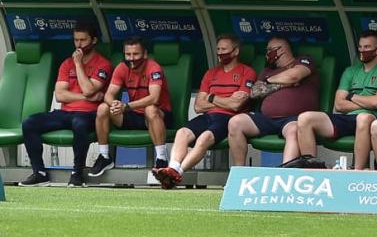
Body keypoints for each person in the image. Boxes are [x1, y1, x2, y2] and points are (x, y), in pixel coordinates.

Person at [152, 35, 256, 189]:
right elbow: (198, 106)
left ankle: (177, 173)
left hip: (229, 119)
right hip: (207, 116)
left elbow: (236, 105)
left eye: (224, 49)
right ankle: (172, 168)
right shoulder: (211, 73)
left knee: (204, 138)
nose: (220, 53)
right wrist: (226, 99)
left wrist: (212, 97)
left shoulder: (247, 72)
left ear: (235, 51)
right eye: (218, 49)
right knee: (182, 133)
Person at [18, 23, 112, 187]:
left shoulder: (102, 64)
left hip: (89, 114)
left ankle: (77, 173)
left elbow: (89, 89)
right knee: (29, 123)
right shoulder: (66, 63)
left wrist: (78, 65)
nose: (79, 44)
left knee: (79, 123)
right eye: (76, 40)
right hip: (65, 113)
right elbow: (61, 95)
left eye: (83, 40)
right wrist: (86, 96)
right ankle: (39, 173)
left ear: (94, 40)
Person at [296, 30, 377, 170]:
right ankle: (312, 170)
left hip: (373, 119)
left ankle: (357, 170)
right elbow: (339, 104)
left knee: (363, 117)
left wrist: (351, 97)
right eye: (360, 47)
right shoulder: (350, 71)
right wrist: (367, 102)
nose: (362, 50)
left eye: (367, 47)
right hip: (347, 118)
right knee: (305, 118)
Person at [226, 36, 320, 166]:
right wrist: (278, 82)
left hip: (294, 119)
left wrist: (269, 83)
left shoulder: (303, 61)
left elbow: (294, 75)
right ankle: (239, 171)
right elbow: (254, 92)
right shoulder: (267, 72)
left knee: (294, 130)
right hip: (266, 119)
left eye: (270, 50)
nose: (267, 54)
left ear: (282, 50)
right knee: (235, 122)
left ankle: (285, 173)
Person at [89, 37, 174, 176]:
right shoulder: (122, 68)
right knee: (103, 108)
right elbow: (108, 94)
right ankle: (104, 157)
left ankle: (162, 159)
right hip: (133, 114)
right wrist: (114, 104)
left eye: (136, 54)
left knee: (150, 109)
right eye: (128, 54)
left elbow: (154, 97)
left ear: (145, 54)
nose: (131, 58)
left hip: (158, 115)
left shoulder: (154, 68)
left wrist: (126, 106)